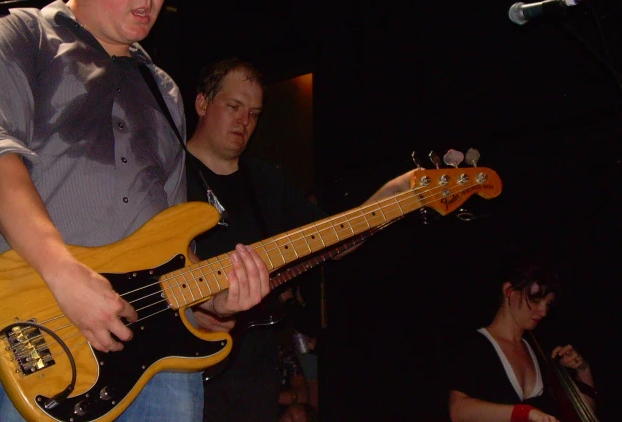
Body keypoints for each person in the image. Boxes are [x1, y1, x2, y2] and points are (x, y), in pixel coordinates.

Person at [0, 0, 270, 422]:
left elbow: (171, 237)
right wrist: (66, 275)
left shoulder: (164, 89)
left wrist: (208, 302)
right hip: (44, 336)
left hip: (159, 368)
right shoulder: (15, 37)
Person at [183, 58, 414, 421]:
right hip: (180, 367)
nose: (245, 121)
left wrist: (395, 195)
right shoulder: (165, 171)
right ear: (201, 103)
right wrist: (193, 307)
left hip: (253, 370)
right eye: (234, 107)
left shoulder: (265, 181)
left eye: (255, 113)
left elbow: (333, 241)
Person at [444, 253, 597, 422]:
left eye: (548, 303)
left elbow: (584, 413)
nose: (543, 311)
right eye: (536, 299)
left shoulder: (540, 349)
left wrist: (583, 370)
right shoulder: (475, 345)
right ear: (509, 291)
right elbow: (458, 411)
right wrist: (525, 413)